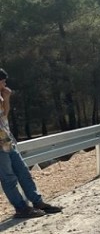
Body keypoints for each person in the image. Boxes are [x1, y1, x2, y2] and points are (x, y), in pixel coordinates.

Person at [0, 68, 63, 219]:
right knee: (8, 178)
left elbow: (4, 116)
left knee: (23, 172)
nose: (5, 83)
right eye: (2, 80)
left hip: (7, 141)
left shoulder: (1, 96)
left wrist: (6, 99)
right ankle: (21, 208)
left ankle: (37, 202)